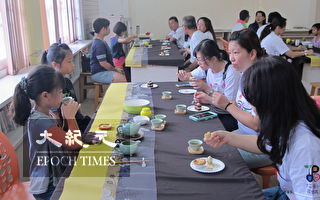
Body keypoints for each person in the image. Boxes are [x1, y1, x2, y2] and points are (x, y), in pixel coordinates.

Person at [204, 56, 320, 200]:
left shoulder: (305, 146)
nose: (252, 108)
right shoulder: (287, 122)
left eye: (253, 102)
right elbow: (264, 144)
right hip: (286, 191)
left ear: (272, 101)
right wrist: (228, 136)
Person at [196, 30, 272, 168]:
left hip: (263, 144)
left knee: (220, 160)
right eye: (229, 53)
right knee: (205, 146)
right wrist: (216, 101)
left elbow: (257, 124)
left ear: (252, 53)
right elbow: (242, 104)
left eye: (236, 53)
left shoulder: (262, 79)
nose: (231, 58)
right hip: (244, 133)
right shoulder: (245, 73)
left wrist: (227, 105)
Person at [10, 66, 83, 200]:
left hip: (54, 175)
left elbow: (62, 139)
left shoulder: (45, 113)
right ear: (45, 95)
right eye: (60, 92)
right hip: (47, 188)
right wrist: (70, 117)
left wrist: (65, 117)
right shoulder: (40, 121)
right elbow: (75, 144)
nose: (63, 95)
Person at [177, 39, 240, 131]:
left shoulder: (231, 72)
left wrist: (206, 89)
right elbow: (189, 76)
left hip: (228, 116)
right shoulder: (206, 68)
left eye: (200, 60)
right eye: (197, 59)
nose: (198, 63)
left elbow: (230, 105)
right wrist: (184, 76)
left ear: (213, 59)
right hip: (212, 109)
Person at [41, 43, 91, 134]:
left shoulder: (67, 82)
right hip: (69, 130)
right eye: (69, 61)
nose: (73, 65)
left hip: (78, 122)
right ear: (55, 64)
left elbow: (76, 107)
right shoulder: (51, 90)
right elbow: (58, 123)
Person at [89, 18, 127, 83]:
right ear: (103, 29)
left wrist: (115, 68)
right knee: (126, 79)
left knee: (125, 74)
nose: (109, 29)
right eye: (108, 27)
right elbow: (103, 63)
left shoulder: (102, 41)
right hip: (99, 73)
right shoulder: (99, 43)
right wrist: (115, 69)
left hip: (104, 70)